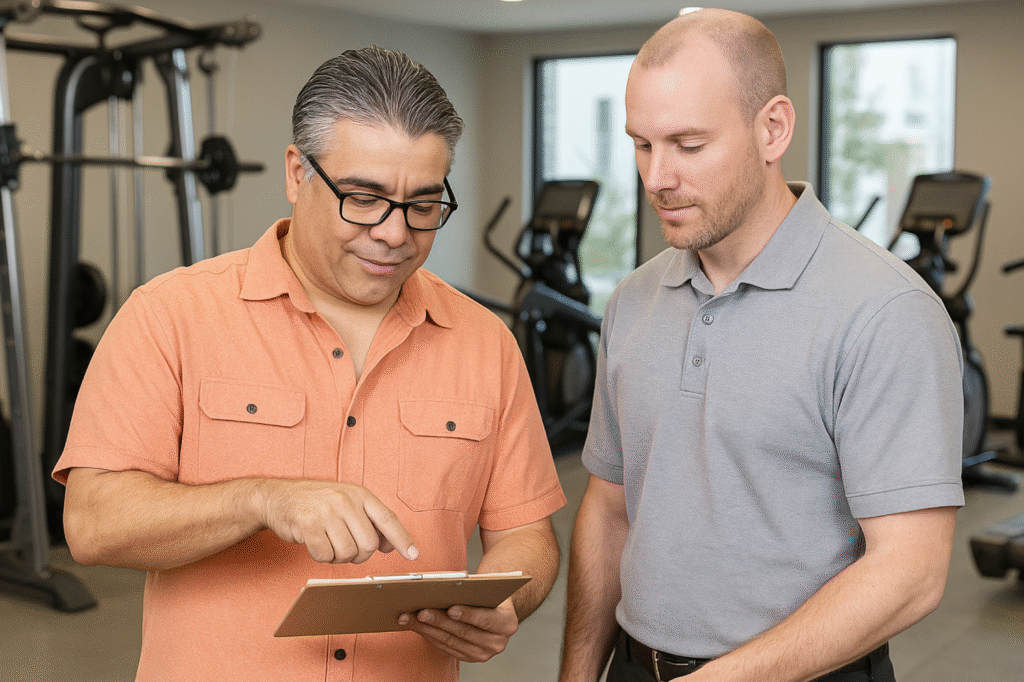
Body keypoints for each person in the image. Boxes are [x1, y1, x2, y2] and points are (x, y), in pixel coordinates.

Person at [54, 47, 565, 682]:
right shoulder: (170, 316)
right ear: (298, 174)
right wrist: (265, 500)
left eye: (423, 205)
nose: (393, 233)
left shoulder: (485, 342)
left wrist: (503, 601)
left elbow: (528, 537)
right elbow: (93, 522)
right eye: (364, 197)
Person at [559, 8, 964, 682]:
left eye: (688, 145)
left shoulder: (884, 309)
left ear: (772, 128)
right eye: (641, 144)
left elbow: (911, 571)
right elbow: (606, 509)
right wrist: (578, 675)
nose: (656, 177)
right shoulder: (633, 299)